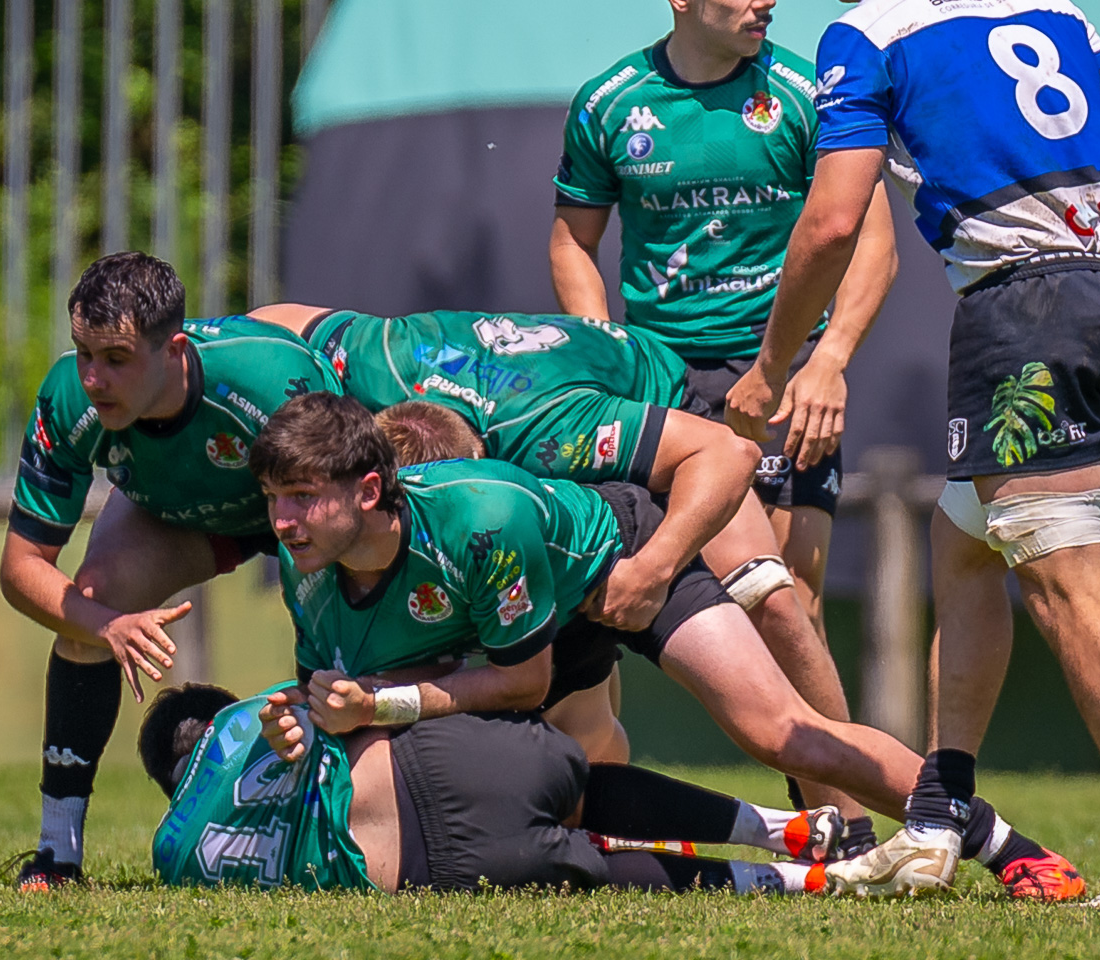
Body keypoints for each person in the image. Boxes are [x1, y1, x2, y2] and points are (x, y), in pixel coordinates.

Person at [725, 0, 1100, 907]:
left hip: (1025, 308)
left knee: (1058, 572)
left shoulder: (868, 30)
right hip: (1099, 286)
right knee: (968, 544)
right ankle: (940, 818)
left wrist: (772, 367)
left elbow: (831, 222)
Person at [251, 391, 1085, 899]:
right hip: (509, 625)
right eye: (271, 500)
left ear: (368, 491)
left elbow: (520, 680)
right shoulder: (308, 570)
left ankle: (1005, 848)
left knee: (777, 730)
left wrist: (385, 702)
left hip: (616, 564)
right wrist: (300, 720)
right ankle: (797, 847)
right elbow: (334, 695)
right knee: (566, 783)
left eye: (299, 499)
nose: (281, 523)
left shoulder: (481, 520)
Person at [249, 302, 861, 818]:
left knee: (769, 601)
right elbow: (268, 321)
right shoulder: (370, 366)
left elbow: (728, 454)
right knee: (574, 730)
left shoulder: (548, 429)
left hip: (676, 414)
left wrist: (654, 570)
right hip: (556, 511)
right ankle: (600, 824)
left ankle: (854, 829)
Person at [549, 0, 899, 698]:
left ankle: (835, 818)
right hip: (665, 382)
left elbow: (873, 245)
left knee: (792, 608)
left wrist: (828, 362)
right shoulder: (611, 103)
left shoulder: (810, 94)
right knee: (723, 599)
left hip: (779, 378)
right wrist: (604, 347)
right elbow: (574, 240)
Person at [0, 252, 341, 890]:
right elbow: (21, 569)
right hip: (185, 515)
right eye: (83, 353)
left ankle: (338, 818)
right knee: (91, 601)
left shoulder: (267, 381)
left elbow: (344, 503)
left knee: (339, 622)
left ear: (174, 350)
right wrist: (108, 625)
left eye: (117, 359)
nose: (94, 378)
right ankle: (57, 852)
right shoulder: (69, 397)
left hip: (300, 504)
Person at [144, 681, 849, 894]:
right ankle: (783, 827)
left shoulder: (172, 853)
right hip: (430, 767)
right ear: (209, 718)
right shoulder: (243, 719)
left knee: (594, 870)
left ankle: (792, 884)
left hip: (418, 872)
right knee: (587, 793)